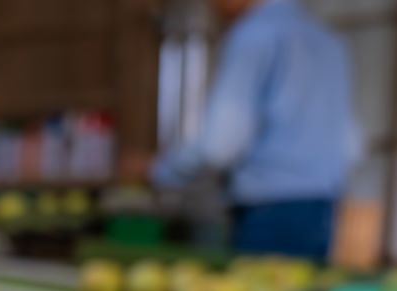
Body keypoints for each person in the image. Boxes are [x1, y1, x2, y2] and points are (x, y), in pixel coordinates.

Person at [150, 0, 360, 261]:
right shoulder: (329, 42)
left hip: (268, 211)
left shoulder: (254, 36)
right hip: (323, 206)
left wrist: (162, 170)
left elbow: (222, 144)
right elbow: (350, 143)